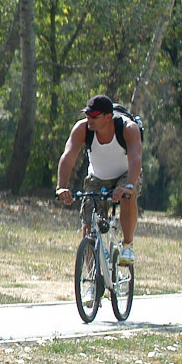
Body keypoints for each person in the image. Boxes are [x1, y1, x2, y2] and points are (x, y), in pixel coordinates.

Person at [55, 94, 142, 266]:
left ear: (108, 117)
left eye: (94, 116)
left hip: (126, 174)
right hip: (97, 177)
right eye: (87, 115)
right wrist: (61, 187)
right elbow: (68, 156)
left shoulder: (128, 128)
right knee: (89, 227)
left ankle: (127, 245)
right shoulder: (82, 129)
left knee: (127, 197)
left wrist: (130, 186)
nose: (89, 119)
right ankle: (91, 281)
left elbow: (135, 158)